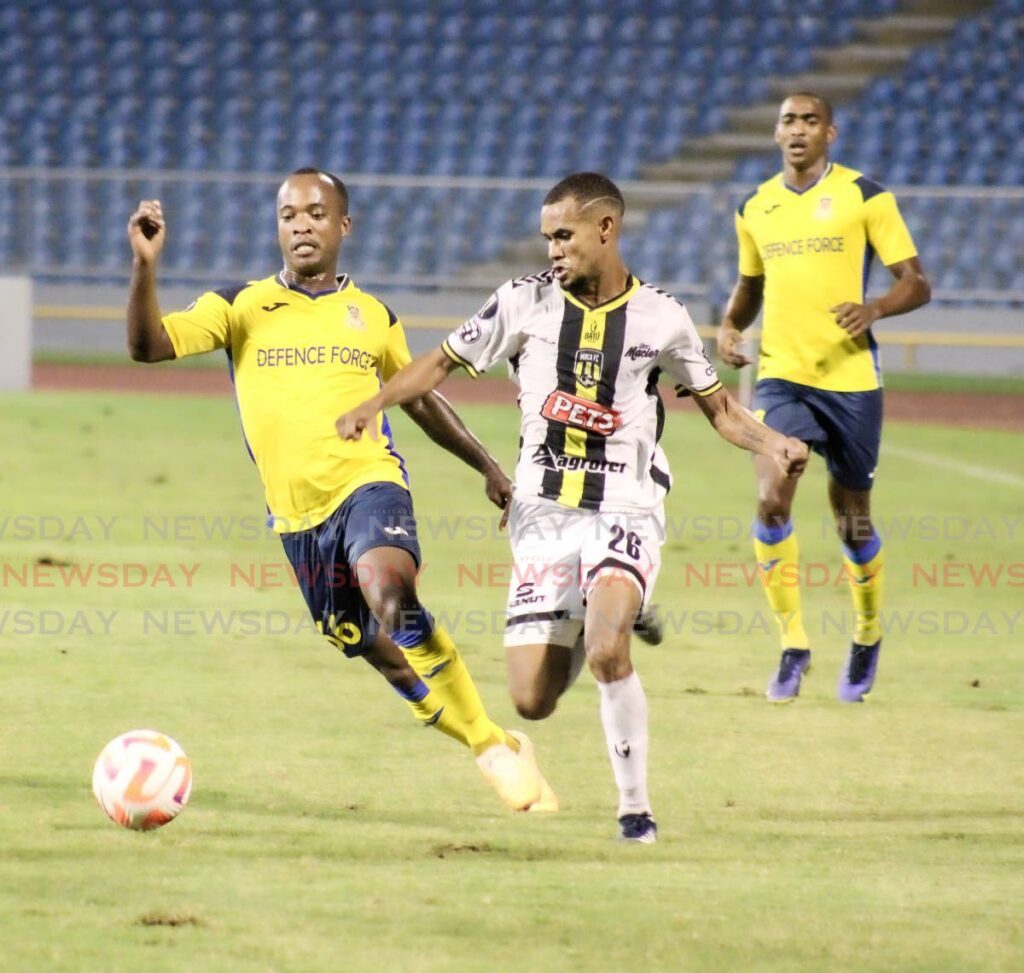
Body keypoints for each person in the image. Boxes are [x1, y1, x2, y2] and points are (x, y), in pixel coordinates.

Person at [336, 172, 808, 842]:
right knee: (533, 699)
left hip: (627, 507)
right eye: (547, 237)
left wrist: (776, 441)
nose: (553, 249)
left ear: (606, 229)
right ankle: (608, 603)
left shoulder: (662, 317)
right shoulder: (522, 302)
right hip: (543, 517)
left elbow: (721, 409)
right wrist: (373, 403)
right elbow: (438, 364)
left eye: (564, 235)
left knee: (610, 648)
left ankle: (635, 809)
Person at [124, 167, 555, 812]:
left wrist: (489, 467)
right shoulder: (238, 305)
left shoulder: (373, 316)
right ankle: (489, 736)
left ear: (343, 225)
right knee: (383, 656)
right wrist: (145, 267)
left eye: (317, 214)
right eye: (289, 214)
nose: (302, 225)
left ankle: (491, 755)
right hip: (297, 522)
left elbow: (421, 401)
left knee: (390, 592)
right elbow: (148, 346)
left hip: (368, 485)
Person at [716, 93, 931, 704]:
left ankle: (866, 633)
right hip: (782, 377)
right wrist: (731, 326)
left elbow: (916, 282)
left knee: (852, 519)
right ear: (775, 132)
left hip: (851, 380)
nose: (798, 130)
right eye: (788, 120)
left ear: (830, 132)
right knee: (770, 498)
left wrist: (875, 308)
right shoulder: (754, 206)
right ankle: (793, 643)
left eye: (810, 120)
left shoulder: (866, 197)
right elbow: (750, 284)